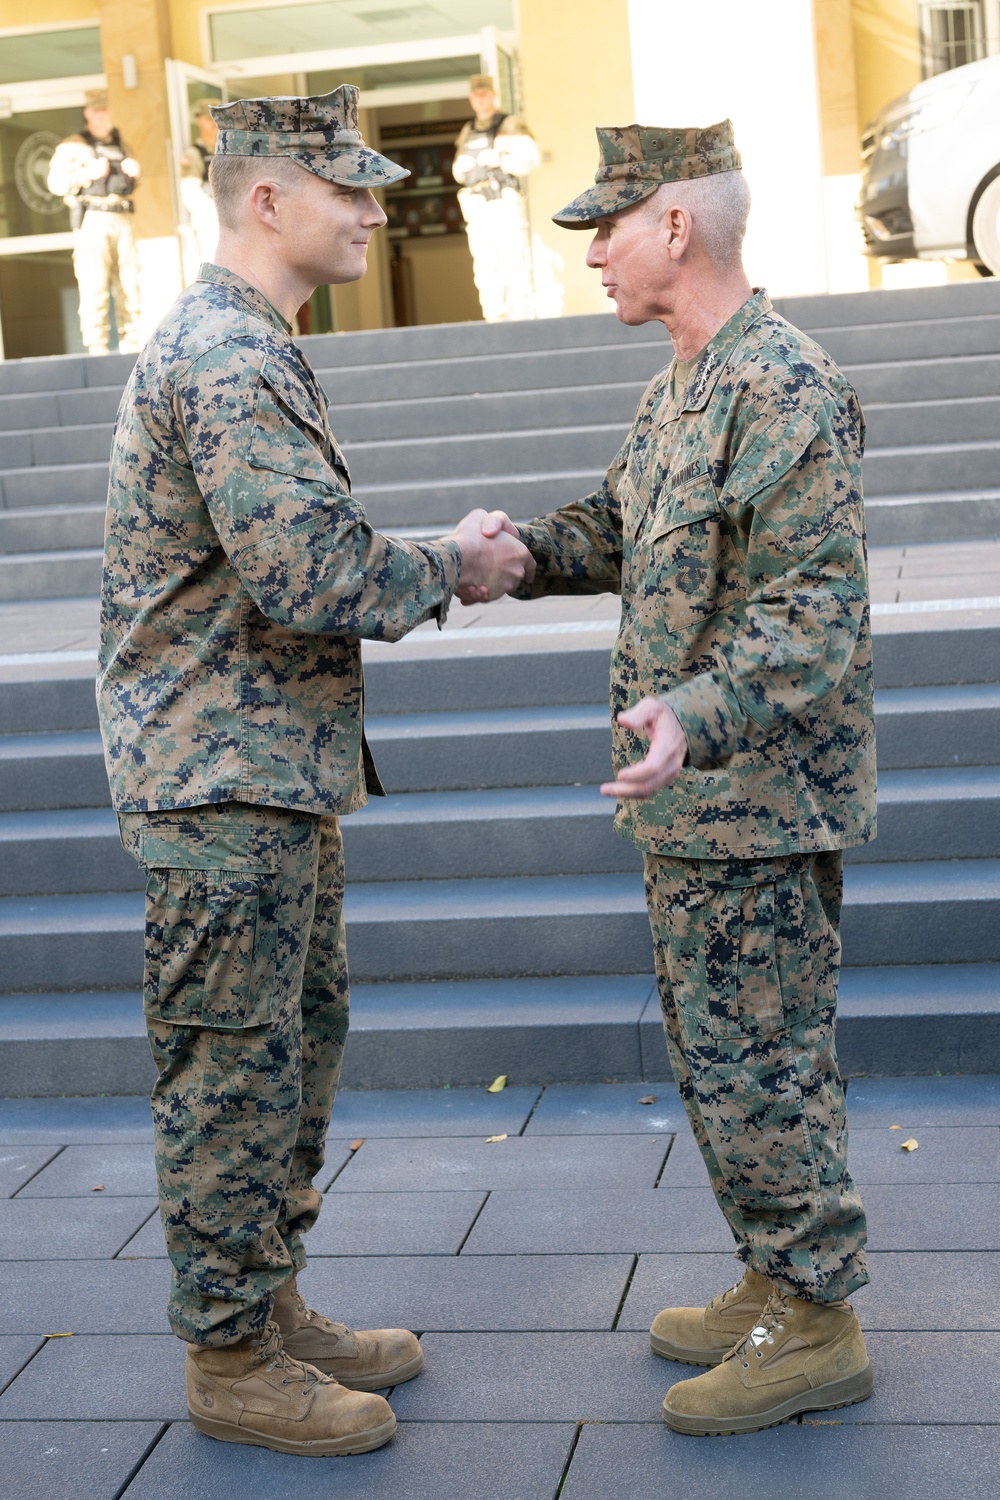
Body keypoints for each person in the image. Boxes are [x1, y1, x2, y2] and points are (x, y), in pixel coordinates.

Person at [97, 85, 534, 1458]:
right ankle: (230, 1357)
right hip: (219, 787)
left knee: (288, 1055)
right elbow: (308, 572)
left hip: (260, 776)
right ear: (265, 198)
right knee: (233, 1070)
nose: (373, 204)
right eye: (343, 185)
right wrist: (454, 566)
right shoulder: (225, 357)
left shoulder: (248, 344)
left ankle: (266, 1303)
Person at [471, 120, 877, 1436]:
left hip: (757, 804)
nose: (591, 250)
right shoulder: (683, 385)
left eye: (607, 225)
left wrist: (694, 714)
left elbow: (813, 617)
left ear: (677, 229)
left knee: (766, 1060)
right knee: (719, 1058)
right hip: (692, 805)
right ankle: (774, 1276)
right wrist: (513, 555)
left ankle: (815, 1319)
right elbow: (618, 528)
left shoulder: (785, 388)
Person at [47, 88, 142, 355]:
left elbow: (130, 182)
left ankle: (132, 345)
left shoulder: (120, 142)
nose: (103, 116)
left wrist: (137, 173)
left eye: (106, 110)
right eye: (97, 110)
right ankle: (97, 348)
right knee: (95, 287)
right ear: (87, 113)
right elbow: (55, 184)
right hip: (94, 221)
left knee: (130, 283)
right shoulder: (73, 145)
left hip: (122, 217)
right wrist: (86, 173)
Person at [452, 73, 540, 321]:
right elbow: (457, 171)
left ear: (493, 95)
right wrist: (463, 165)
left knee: (512, 259)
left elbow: (531, 159)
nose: (480, 100)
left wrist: (500, 159)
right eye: (476, 95)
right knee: (485, 264)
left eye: (484, 94)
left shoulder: (509, 125)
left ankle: (520, 316)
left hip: (502, 201)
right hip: (477, 205)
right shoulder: (468, 130)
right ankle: (494, 317)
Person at [178, 98, 220, 278]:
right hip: (210, 220)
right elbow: (190, 193)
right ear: (199, 120)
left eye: (217, 117)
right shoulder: (194, 153)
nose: (213, 122)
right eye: (208, 117)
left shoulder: (230, 149)